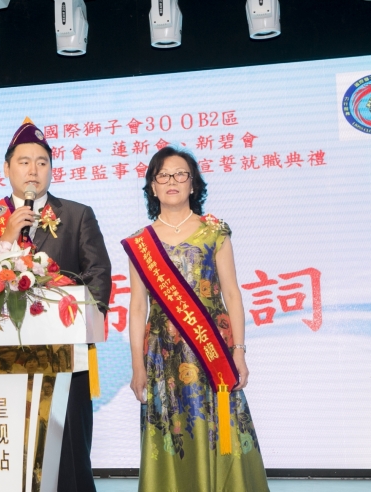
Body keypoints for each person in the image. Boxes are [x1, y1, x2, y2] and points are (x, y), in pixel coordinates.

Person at [0, 118, 112, 492]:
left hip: (64, 355)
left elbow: (98, 276)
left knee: (68, 454)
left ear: (51, 169)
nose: (33, 170)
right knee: (9, 451)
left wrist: (76, 320)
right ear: (7, 168)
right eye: (24, 161)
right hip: (0, 359)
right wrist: (7, 236)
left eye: (42, 162)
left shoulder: (76, 215)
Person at [123, 147, 269, 491]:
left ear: (193, 184)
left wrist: (239, 351)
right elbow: (138, 307)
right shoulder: (140, 243)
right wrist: (137, 366)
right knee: (173, 428)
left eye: (180, 174)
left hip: (212, 350)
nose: (171, 181)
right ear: (152, 187)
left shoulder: (214, 231)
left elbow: (231, 293)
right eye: (162, 175)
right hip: (163, 355)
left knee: (221, 424)